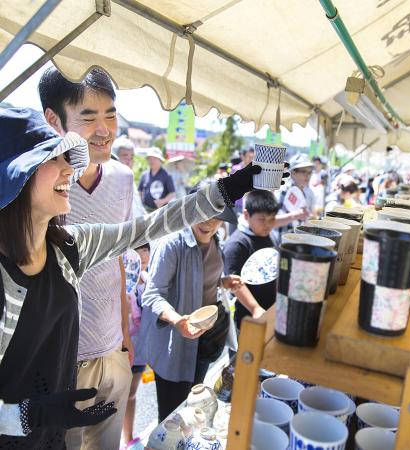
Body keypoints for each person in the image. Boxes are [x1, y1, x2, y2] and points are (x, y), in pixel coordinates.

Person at [0, 107, 259, 447]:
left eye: (67, 157)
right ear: (15, 175)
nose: (69, 170)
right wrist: (30, 414)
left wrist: (224, 191)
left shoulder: (70, 246)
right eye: (53, 159)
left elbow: (148, 225)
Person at [39, 67, 137, 450]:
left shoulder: (123, 178)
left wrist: (126, 340)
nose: (105, 129)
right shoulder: (40, 185)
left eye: (110, 114)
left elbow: (117, 260)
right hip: (61, 361)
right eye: (89, 117)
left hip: (113, 351)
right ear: (53, 119)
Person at [134, 198, 243, 421]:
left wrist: (223, 282)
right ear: (189, 213)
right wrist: (177, 321)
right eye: (202, 216)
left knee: (195, 407)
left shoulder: (216, 240)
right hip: (174, 345)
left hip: (205, 339)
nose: (209, 224)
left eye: (217, 218)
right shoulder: (172, 243)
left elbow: (202, 279)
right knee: (172, 418)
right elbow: (153, 294)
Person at [223, 190, 280, 328]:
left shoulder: (270, 236)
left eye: (272, 218)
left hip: (273, 309)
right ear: (246, 214)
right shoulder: (237, 244)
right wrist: (255, 308)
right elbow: (235, 284)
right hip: (248, 317)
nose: (268, 224)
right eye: (262, 219)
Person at [121, 244, 150, 449]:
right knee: (113, 397)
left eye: (147, 249)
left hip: (140, 350)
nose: (145, 254)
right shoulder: (121, 282)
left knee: (131, 394)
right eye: (140, 249)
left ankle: (128, 438)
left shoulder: (148, 280)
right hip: (121, 348)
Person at [276, 153, 315, 235]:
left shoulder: (303, 191)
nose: (308, 176)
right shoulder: (284, 191)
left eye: (310, 172)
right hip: (281, 242)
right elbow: (272, 221)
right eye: (304, 172)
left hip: (294, 242)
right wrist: (296, 215)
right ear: (293, 173)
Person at [112, 136, 145, 217]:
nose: (129, 161)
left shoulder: (129, 178)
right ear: (115, 158)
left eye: (132, 157)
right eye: (125, 156)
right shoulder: (110, 182)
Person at [138, 147, 176, 212]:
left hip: (161, 212)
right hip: (145, 210)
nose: (151, 161)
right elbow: (140, 191)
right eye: (150, 158)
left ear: (160, 160)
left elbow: (172, 193)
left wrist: (162, 201)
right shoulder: (144, 175)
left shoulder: (167, 175)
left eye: (154, 158)